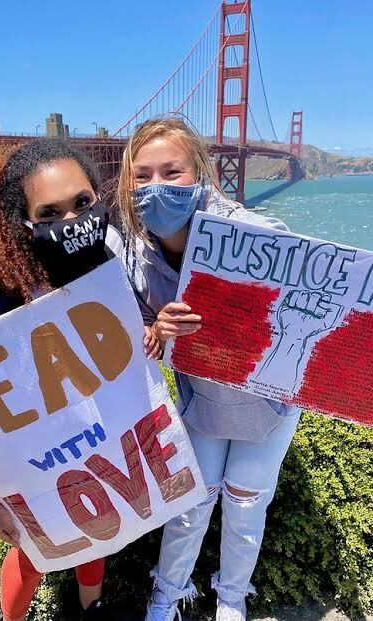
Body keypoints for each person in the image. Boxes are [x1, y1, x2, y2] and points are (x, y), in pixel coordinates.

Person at [0, 139, 158, 621]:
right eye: (50, 212)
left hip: (97, 427)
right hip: (34, 442)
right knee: (33, 549)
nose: (73, 220)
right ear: (24, 220)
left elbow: (129, 329)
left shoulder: (110, 253)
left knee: (98, 526)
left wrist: (148, 333)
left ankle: (92, 608)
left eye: (82, 203)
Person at [117, 118, 301, 621]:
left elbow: (302, 282)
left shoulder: (251, 231)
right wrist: (157, 331)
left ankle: (231, 598)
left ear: (200, 173)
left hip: (269, 403)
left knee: (245, 505)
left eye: (171, 172)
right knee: (189, 504)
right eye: (142, 176)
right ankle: (166, 595)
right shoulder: (133, 255)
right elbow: (144, 341)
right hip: (204, 401)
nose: (156, 186)